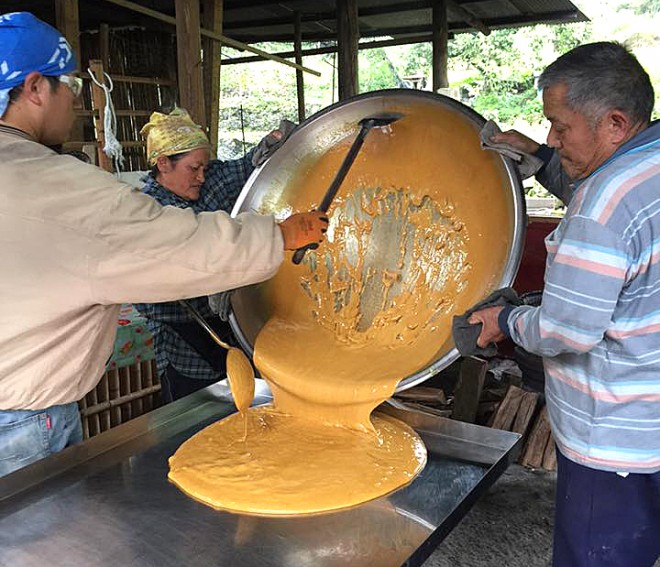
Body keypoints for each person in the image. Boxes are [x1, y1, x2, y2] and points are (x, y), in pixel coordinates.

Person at [0, 12, 328, 478]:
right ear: (35, 88)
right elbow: (174, 248)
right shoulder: (56, 187)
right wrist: (280, 236)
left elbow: (241, 172)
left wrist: (274, 145)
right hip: (21, 424)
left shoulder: (211, 181)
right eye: (69, 84)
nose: (74, 99)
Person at [467, 42, 660, 566]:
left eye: (559, 126)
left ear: (615, 123)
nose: (552, 137)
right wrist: (544, 160)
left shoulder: (603, 204)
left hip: (613, 441)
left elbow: (567, 330)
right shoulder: (648, 163)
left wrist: (505, 319)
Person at [133, 109, 281, 402]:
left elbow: (247, 167)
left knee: (248, 403)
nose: (201, 176)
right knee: (202, 415)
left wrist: (273, 144)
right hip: (189, 347)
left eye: (204, 166)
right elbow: (148, 295)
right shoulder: (147, 212)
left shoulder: (210, 180)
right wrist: (210, 285)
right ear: (163, 163)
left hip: (234, 327)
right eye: (193, 168)